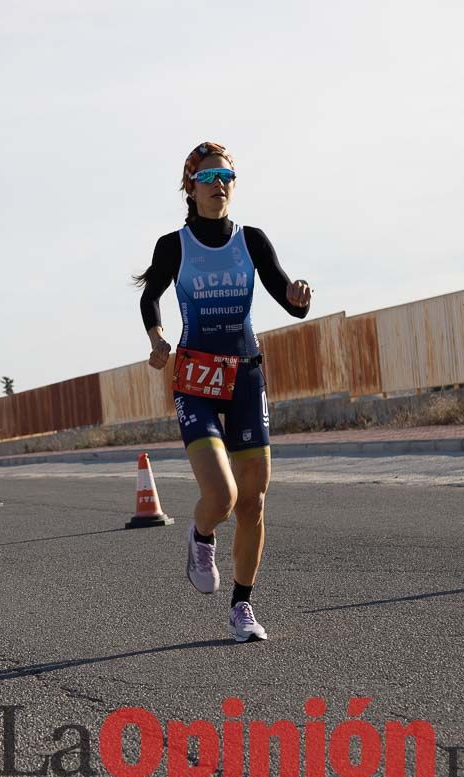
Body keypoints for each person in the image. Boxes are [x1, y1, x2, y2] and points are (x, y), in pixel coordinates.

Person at [135, 142, 312, 643]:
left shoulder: (251, 240)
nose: (219, 183)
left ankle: (243, 606)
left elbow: (288, 299)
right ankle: (201, 534)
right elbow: (150, 296)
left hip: (246, 377)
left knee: (254, 502)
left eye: (227, 175)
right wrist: (156, 339)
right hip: (196, 379)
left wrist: (299, 296)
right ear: (190, 188)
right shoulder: (175, 245)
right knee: (222, 494)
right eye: (208, 176)